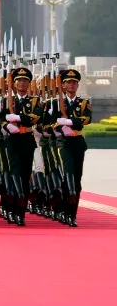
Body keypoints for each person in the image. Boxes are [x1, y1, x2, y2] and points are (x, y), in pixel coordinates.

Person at [45, 66, 92, 226]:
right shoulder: (55, 103)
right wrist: (58, 127)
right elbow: (47, 124)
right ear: (63, 85)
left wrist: (69, 121)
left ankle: (72, 214)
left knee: (77, 179)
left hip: (77, 142)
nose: (71, 85)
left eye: (74, 82)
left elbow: (87, 119)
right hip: (62, 143)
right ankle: (63, 210)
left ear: (77, 85)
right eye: (68, 82)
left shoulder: (83, 103)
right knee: (68, 175)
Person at [0, 64, 41, 226]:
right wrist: (6, 126)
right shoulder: (5, 100)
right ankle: (13, 208)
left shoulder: (34, 101)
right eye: (19, 80)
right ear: (14, 83)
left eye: (25, 80)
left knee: (24, 175)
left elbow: (36, 117)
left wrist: (18, 118)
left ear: (29, 83)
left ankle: (20, 211)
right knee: (14, 173)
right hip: (11, 141)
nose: (22, 83)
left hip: (27, 140)